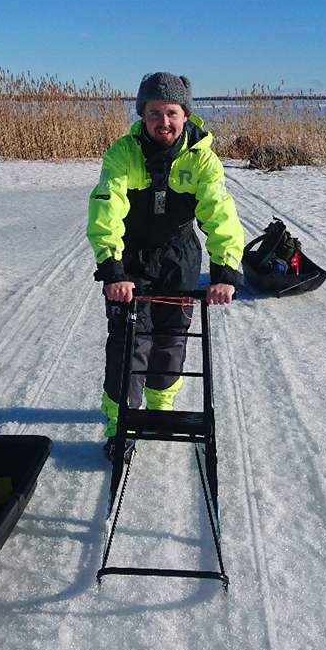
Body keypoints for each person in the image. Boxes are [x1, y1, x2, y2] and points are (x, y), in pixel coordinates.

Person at [87, 72, 244, 460]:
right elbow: (107, 208)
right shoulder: (124, 152)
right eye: (154, 112)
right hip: (133, 255)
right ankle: (120, 422)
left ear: (185, 114)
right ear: (142, 114)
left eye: (171, 112)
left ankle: (160, 409)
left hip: (179, 254)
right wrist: (112, 268)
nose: (164, 121)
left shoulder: (202, 158)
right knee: (129, 341)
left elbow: (219, 212)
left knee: (172, 338)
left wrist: (224, 271)